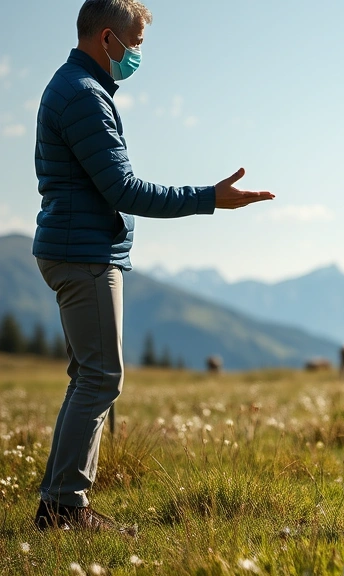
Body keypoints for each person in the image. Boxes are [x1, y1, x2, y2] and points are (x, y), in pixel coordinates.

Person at [32, 0, 274, 531]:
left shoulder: (75, 88)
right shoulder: (83, 97)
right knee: (100, 379)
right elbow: (124, 188)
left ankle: (60, 503)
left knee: (89, 378)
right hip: (86, 256)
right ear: (106, 39)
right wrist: (209, 197)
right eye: (135, 44)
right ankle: (65, 509)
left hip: (80, 249)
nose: (137, 55)